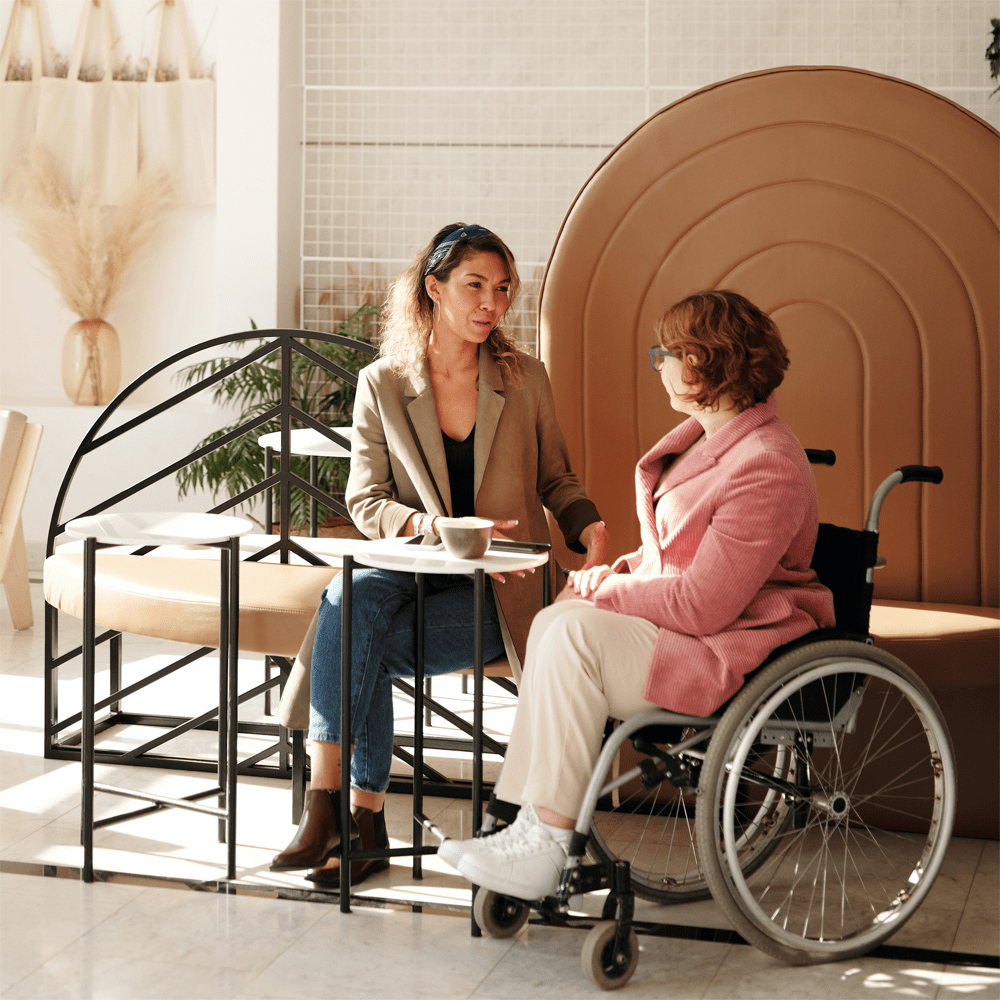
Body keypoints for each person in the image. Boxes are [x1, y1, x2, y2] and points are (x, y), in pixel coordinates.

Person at [442, 289, 836, 901]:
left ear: (710, 359)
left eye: (669, 352)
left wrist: (613, 587)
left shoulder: (767, 464)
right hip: (688, 627)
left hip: (732, 647)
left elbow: (707, 603)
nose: (660, 364)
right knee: (555, 620)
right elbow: (674, 556)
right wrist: (614, 576)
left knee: (571, 634)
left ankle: (546, 842)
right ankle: (526, 824)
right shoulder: (708, 440)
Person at [271, 223, 608, 885]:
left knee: (353, 633)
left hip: (503, 587)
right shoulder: (383, 383)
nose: (492, 302)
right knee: (352, 596)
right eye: (475, 285)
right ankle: (342, 815)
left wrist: (588, 526)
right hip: (412, 570)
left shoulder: (525, 378)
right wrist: (430, 526)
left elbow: (557, 479)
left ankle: (342, 816)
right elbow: (365, 501)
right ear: (433, 288)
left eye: (503, 289)